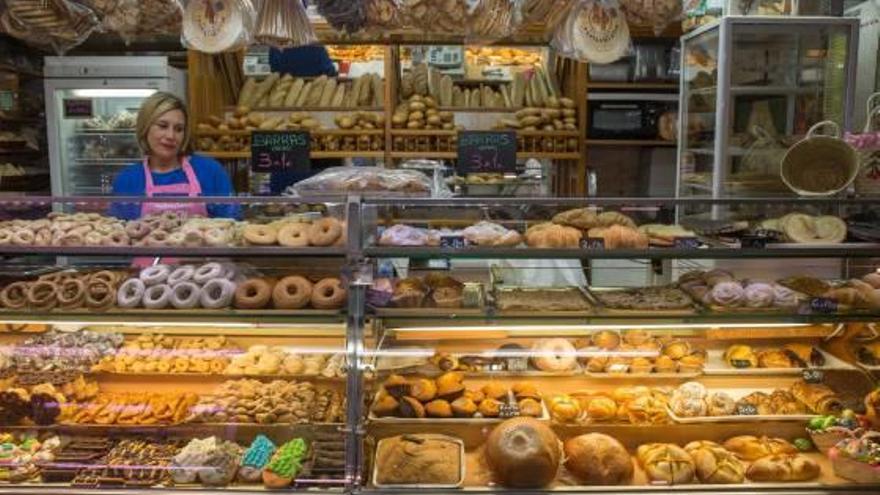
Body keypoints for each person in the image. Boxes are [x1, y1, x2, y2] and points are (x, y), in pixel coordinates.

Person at [110, 92, 239, 219]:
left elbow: (232, 224)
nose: (171, 136)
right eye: (162, 126)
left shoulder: (210, 171)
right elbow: (119, 232)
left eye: (178, 129)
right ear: (145, 127)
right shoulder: (128, 179)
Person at [268, 44, 342, 195]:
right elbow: (330, 74)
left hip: (286, 136)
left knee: (284, 190)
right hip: (320, 132)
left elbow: (275, 72)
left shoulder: (277, 47)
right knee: (321, 190)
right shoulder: (315, 48)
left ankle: (284, 206)